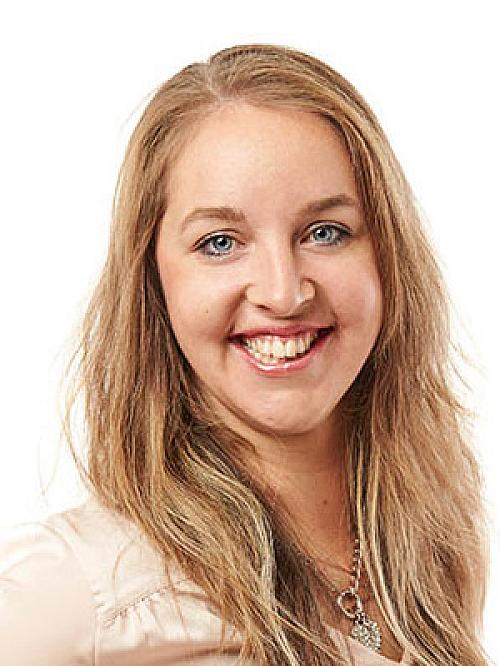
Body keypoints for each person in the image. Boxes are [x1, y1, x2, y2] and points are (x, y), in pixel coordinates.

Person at [0, 44, 491, 666]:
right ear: (154, 280)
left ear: (388, 254)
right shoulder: (84, 590)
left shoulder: (437, 542)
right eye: (220, 243)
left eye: (325, 232)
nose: (283, 292)